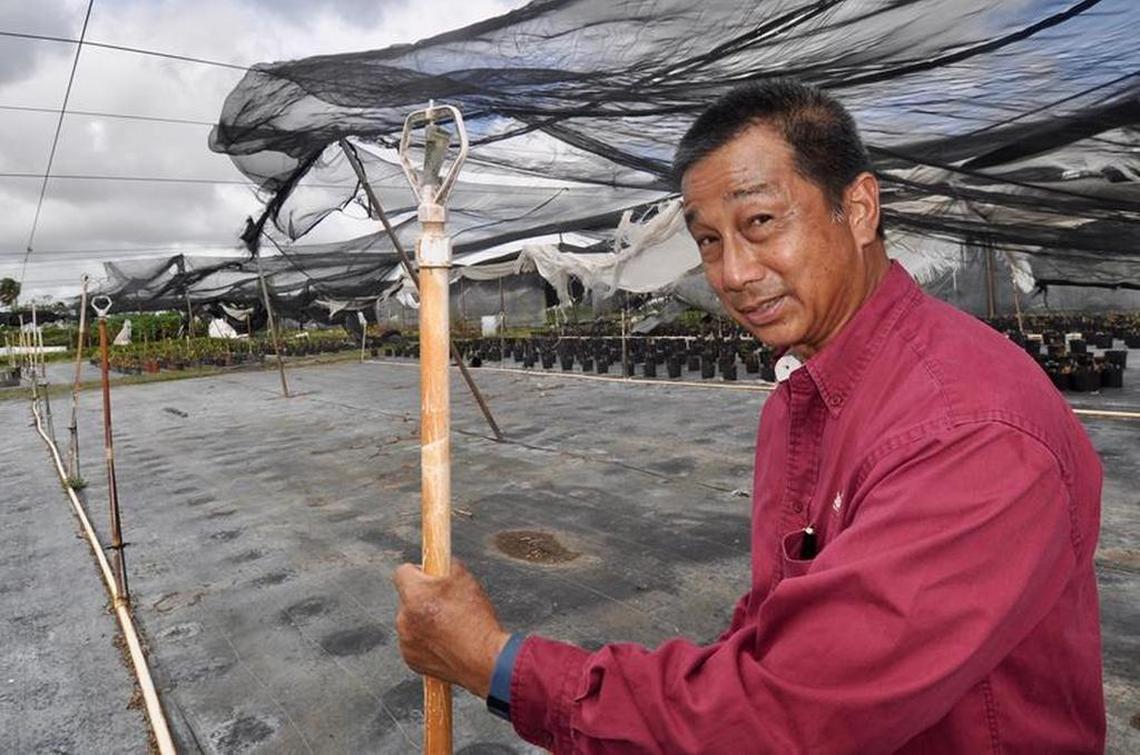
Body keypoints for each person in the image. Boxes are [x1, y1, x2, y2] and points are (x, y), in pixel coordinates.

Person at [393, 79, 1105, 753]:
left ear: (858, 209)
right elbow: (770, 634)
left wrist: (497, 662)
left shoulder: (969, 430)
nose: (732, 273)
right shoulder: (804, 395)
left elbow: (786, 717)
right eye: (709, 240)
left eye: (761, 222)